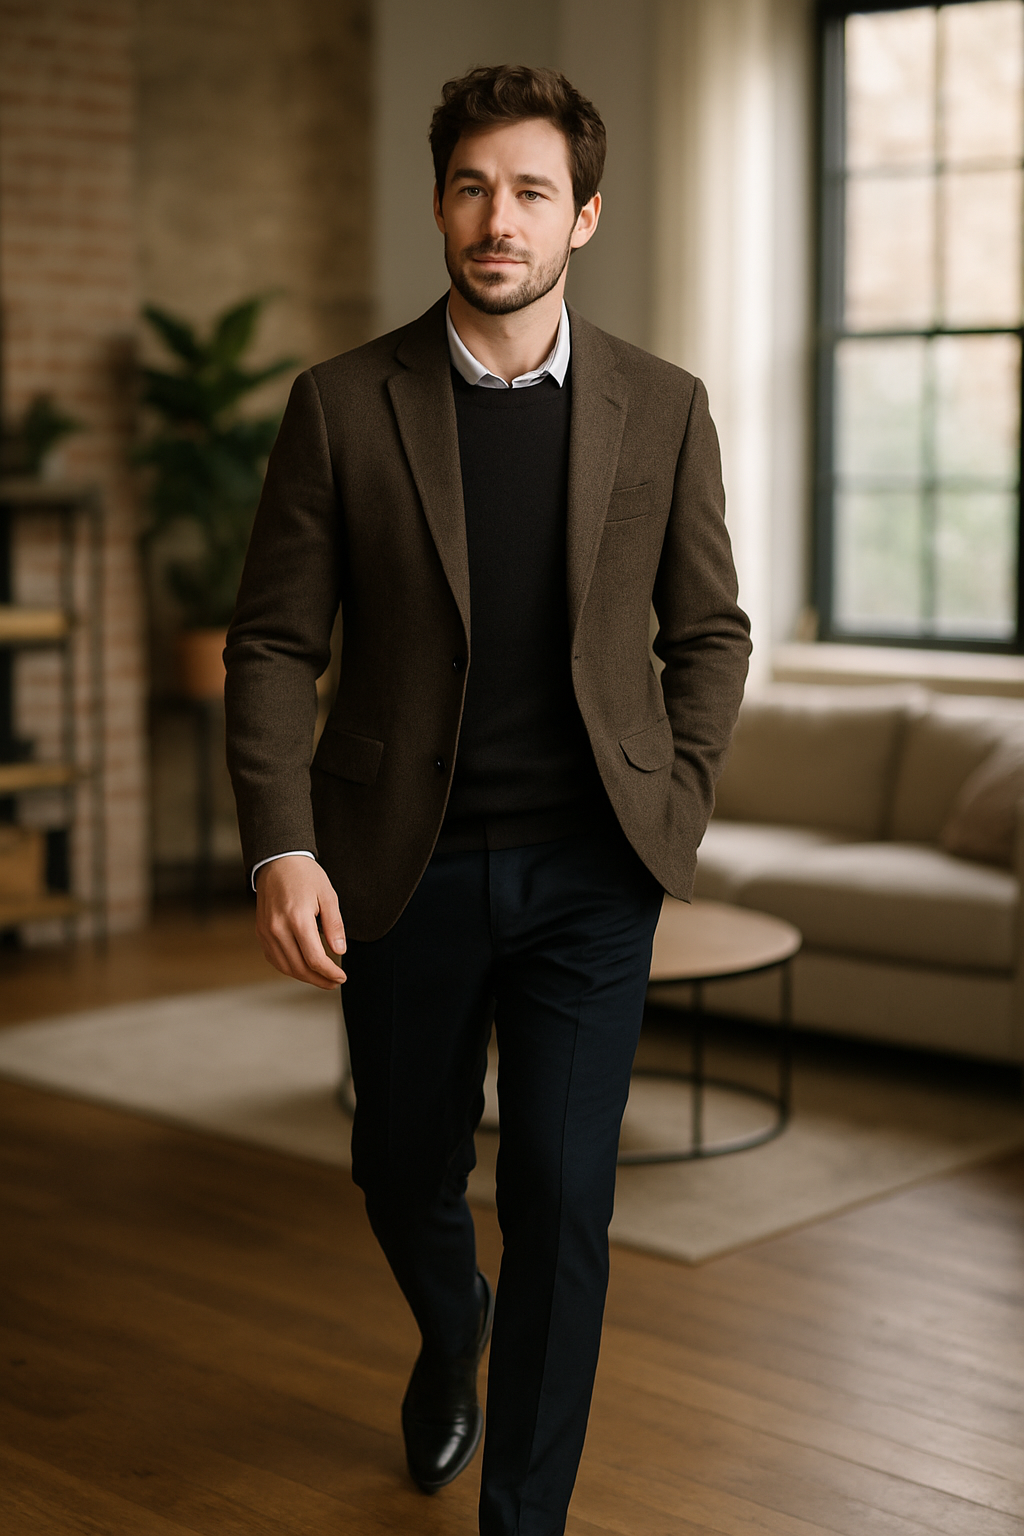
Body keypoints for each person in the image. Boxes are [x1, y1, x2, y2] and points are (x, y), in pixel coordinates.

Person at [224, 63, 750, 1536]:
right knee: (402, 1164)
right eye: (471, 187)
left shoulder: (664, 406)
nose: (496, 218)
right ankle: (451, 1323)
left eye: (529, 191)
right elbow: (272, 642)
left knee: (565, 1197)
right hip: (401, 865)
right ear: (439, 203)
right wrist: (281, 843)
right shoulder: (341, 406)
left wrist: (677, 800)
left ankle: (526, 1517)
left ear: (584, 215)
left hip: (596, 869)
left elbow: (707, 632)